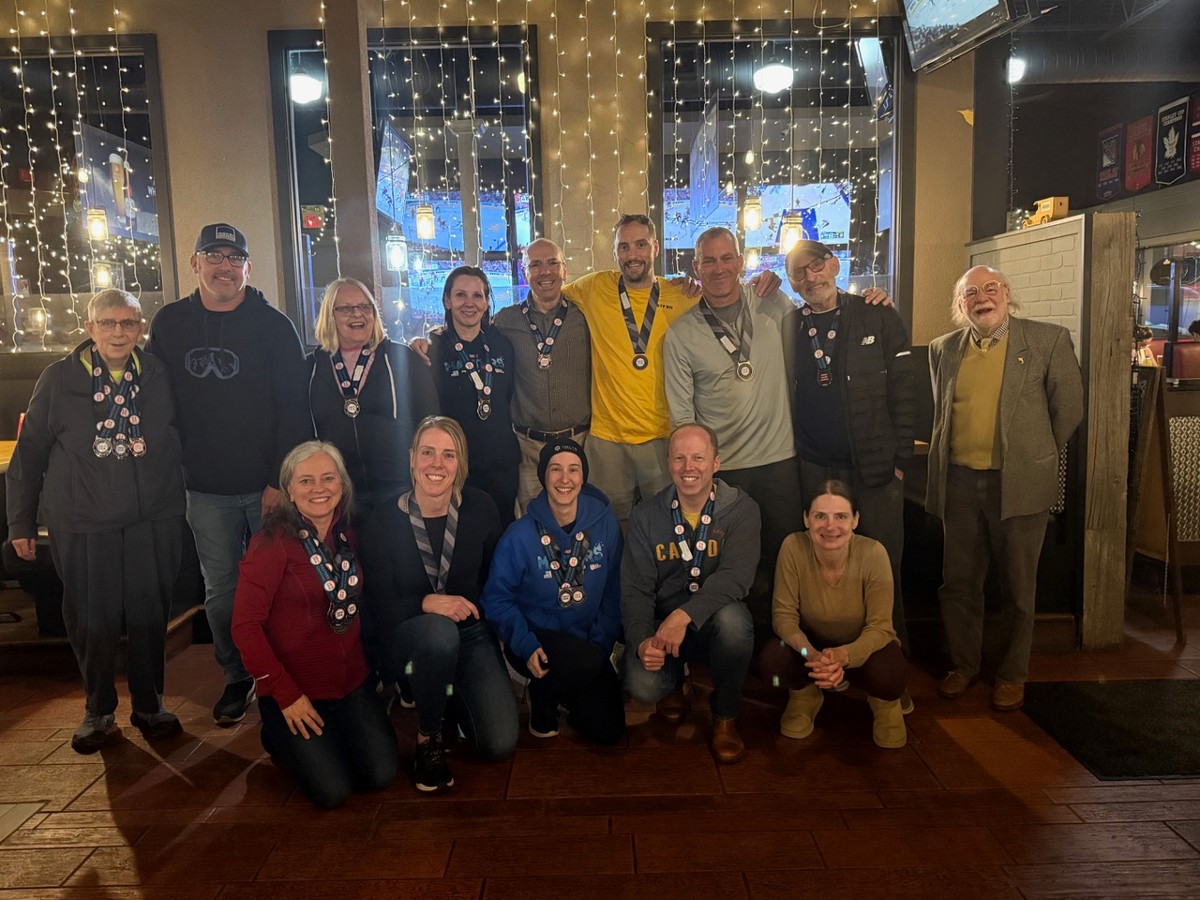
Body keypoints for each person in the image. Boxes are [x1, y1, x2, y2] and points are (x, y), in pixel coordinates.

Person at [147, 223, 312, 726]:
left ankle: (282, 674)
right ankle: (238, 676)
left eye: (234, 258)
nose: (224, 267)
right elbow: (155, 401)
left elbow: (294, 408)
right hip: (204, 488)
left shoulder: (274, 326)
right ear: (195, 263)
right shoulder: (170, 324)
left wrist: (279, 480)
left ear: (248, 267)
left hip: (267, 485)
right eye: (214, 256)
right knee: (221, 593)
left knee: (280, 585)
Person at [7, 289, 186, 753]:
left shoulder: (160, 374)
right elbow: (30, 454)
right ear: (90, 328)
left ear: (140, 328)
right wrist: (20, 523)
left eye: (128, 323)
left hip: (152, 517)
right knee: (92, 618)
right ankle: (98, 710)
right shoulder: (58, 378)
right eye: (108, 323)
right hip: (82, 519)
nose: (118, 332)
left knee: (149, 614)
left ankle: (150, 705)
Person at [927, 265, 1084, 712]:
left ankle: (1012, 674)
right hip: (959, 482)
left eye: (991, 288)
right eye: (971, 292)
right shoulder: (943, 349)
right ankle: (963, 666)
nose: (983, 297)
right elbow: (943, 412)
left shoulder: (1048, 340)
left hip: (1018, 484)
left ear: (1007, 294)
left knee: (1018, 587)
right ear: (961, 305)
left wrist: (1033, 455)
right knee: (958, 583)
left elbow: (1069, 409)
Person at [561, 215, 781, 520]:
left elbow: (726, 293)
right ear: (615, 252)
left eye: (641, 244)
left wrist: (764, 283)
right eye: (624, 246)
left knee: (668, 521)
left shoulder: (683, 294)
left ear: (655, 247)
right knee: (607, 523)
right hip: (608, 439)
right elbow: (549, 292)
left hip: (664, 437)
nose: (633, 254)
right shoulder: (594, 287)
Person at [231, 441, 398, 808]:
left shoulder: (349, 536)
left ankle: (333, 735)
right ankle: (275, 734)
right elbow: (245, 627)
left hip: (350, 685)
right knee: (332, 792)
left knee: (381, 774)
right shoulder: (270, 545)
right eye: (306, 480)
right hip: (294, 692)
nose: (318, 488)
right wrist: (285, 695)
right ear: (289, 490)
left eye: (328, 478)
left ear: (342, 484)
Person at [360, 416, 518, 792]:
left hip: (471, 631)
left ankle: (445, 692)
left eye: (449, 455)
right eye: (427, 452)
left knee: (499, 743)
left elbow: (497, 580)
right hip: (409, 634)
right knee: (438, 634)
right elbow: (377, 605)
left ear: (460, 463)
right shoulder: (383, 519)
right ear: (412, 458)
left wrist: (499, 631)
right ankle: (428, 737)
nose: (437, 464)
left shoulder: (480, 506)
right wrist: (426, 602)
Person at [663, 227, 804, 628]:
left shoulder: (771, 302)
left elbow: (820, 312)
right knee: (733, 567)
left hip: (779, 459)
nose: (719, 268)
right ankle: (740, 645)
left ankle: (785, 642)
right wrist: (699, 470)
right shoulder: (681, 334)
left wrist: (872, 301)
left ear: (741, 262)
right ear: (696, 268)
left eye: (727, 258)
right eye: (709, 260)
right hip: (725, 471)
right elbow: (683, 418)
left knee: (785, 559)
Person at [782, 239, 916, 651]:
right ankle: (821, 658)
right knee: (820, 564)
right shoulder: (789, 325)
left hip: (875, 467)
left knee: (883, 564)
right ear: (793, 283)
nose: (810, 277)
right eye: (799, 273)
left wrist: (901, 459)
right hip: (814, 466)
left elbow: (905, 389)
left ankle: (888, 655)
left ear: (834, 265)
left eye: (816, 266)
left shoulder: (877, 314)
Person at [621, 423, 759, 764]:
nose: (688, 467)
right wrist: (641, 641)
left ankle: (725, 717)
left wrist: (682, 617)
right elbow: (635, 589)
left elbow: (737, 578)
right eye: (679, 458)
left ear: (716, 463)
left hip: (712, 621)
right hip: (662, 627)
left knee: (735, 623)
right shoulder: (645, 515)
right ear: (668, 463)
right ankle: (673, 685)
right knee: (642, 686)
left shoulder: (742, 509)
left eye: (698, 457)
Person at [481, 438, 625, 745]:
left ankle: (565, 690)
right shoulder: (519, 534)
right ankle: (542, 693)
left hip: (588, 645)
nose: (564, 479)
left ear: (583, 477)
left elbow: (614, 591)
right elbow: (496, 598)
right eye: (555, 469)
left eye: (573, 469)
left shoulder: (606, 525)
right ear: (543, 476)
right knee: (582, 664)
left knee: (609, 732)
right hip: (536, 641)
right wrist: (524, 642)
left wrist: (600, 645)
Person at [759, 481, 907, 749]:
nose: (830, 526)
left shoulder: (874, 553)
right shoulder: (793, 546)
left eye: (841, 516)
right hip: (812, 646)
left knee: (889, 674)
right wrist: (813, 656)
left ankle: (885, 706)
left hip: (861, 646)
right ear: (806, 518)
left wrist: (842, 656)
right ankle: (805, 696)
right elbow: (783, 617)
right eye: (820, 516)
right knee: (773, 659)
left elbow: (881, 628)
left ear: (855, 520)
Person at [307, 277, 438, 517]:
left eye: (365, 306)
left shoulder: (402, 359)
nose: (357, 314)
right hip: (337, 492)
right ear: (329, 315)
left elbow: (431, 423)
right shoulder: (311, 368)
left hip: (399, 488)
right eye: (346, 308)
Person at [491, 239, 592, 513]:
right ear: (525, 274)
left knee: (577, 520)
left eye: (552, 263)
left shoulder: (586, 317)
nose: (545, 271)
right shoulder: (505, 320)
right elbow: (470, 334)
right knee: (532, 522)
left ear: (565, 270)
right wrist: (431, 340)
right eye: (535, 265)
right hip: (528, 450)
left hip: (578, 444)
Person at [427, 267, 520, 526]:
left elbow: (509, 395)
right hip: (455, 467)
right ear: (447, 301)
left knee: (501, 533)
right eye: (461, 295)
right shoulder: (433, 349)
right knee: (462, 535)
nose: (470, 303)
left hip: (501, 466)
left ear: (487, 302)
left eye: (477, 295)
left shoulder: (502, 344)